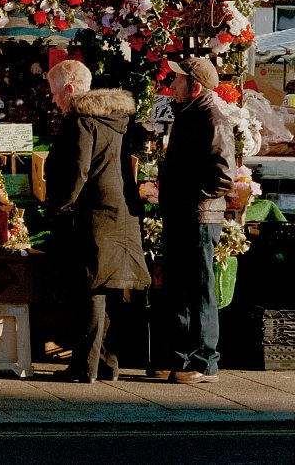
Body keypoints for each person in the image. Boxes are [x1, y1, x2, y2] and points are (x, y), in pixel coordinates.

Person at [44, 60, 150, 383]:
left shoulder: (81, 120)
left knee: (89, 288)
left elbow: (78, 171)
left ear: (70, 90)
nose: (53, 100)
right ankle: (105, 363)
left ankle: (84, 367)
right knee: (104, 289)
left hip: (93, 214)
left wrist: (59, 205)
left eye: (55, 93)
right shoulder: (115, 118)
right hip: (118, 212)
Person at [157, 56, 236, 384]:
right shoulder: (189, 114)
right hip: (183, 213)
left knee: (199, 288)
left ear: (196, 86)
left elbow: (224, 176)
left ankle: (204, 362)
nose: (171, 86)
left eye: (177, 81)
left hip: (200, 216)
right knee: (178, 287)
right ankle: (180, 356)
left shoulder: (212, 118)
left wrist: (187, 196)